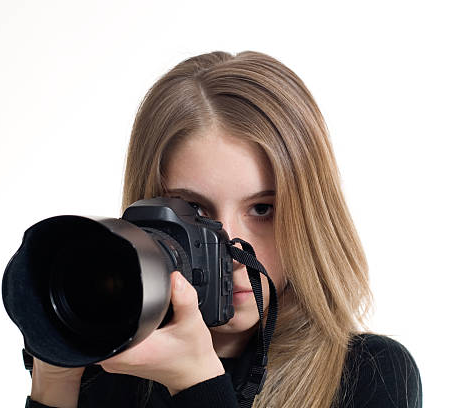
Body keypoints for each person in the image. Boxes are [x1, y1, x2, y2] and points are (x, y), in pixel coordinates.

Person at [24, 51, 422, 408]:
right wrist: (54, 382)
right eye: (194, 210)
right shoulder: (108, 368)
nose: (231, 247)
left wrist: (196, 382)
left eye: (263, 209)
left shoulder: (369, 374)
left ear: (310, 218)